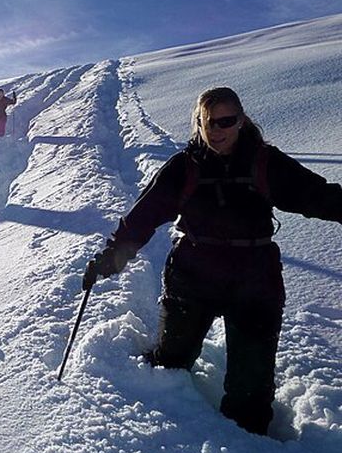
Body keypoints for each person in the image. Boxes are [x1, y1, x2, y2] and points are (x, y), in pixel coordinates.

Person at [83, 86, 342, 435]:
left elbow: (318, 197)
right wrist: (110, 258)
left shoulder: (265, 162)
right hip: (193, 277)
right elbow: (142, 217)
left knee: (250, 396)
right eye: (209, 122)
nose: (217, 129)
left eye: (226, 121)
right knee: (169, 365)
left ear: (241, 120)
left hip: (255, 283)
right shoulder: (184, 167)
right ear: (199, 123)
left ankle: (248, 450)